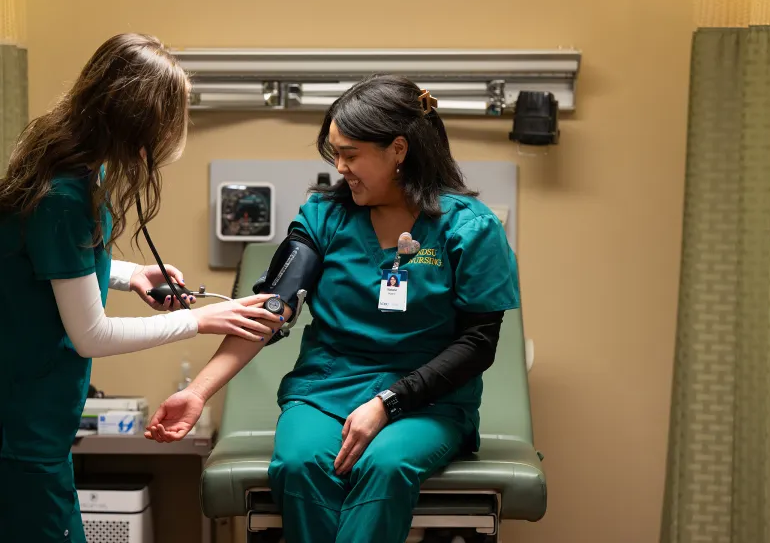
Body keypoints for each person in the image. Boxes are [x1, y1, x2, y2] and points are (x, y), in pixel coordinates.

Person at [145, 74, 520, 543]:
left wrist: (389, 403)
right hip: (327, 391)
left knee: (386, 464)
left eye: (351, 154)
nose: (339, 166)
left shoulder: (470, 229)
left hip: (428, 402)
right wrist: (198, 392)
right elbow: (270, 310)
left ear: (398, 150)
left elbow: (478, 344)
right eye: (334, 153)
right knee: (301, 462)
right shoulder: (324, 217)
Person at [0, 33, 283, 543]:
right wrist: (197, 320)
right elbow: (92, 335)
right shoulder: (66, 194)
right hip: (21, 431)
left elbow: (46, 263)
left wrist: (130, 276)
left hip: (33, 423)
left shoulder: (66, 167)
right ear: (142, 123)